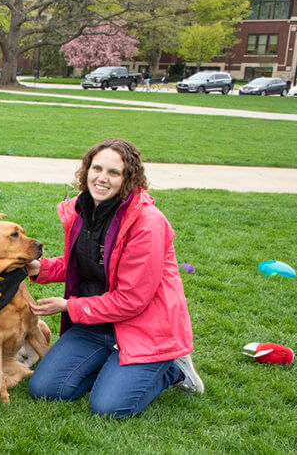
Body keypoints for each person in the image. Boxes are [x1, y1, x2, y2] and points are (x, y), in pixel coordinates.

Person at [26, 138, 203, 419]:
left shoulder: (148, 223)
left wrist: (68, 307)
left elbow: (131, 300)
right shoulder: (82, 210)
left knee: (109, 408)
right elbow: (82, 265)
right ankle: (113, 367)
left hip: (142, 327)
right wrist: (39, 268)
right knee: (45, 389)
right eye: (96, 169)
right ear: (86, 170)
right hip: (96, 323)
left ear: (129, 178)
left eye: (113, 172)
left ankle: (174, 369)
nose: (102, 178)